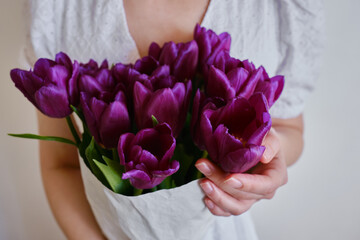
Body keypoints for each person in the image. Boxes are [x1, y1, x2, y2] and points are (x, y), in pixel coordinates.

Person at [26, 0, 324, 239]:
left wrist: (266, 156)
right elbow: (61, 163)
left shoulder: (284, 9)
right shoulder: (59, 7)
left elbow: (287, 128)